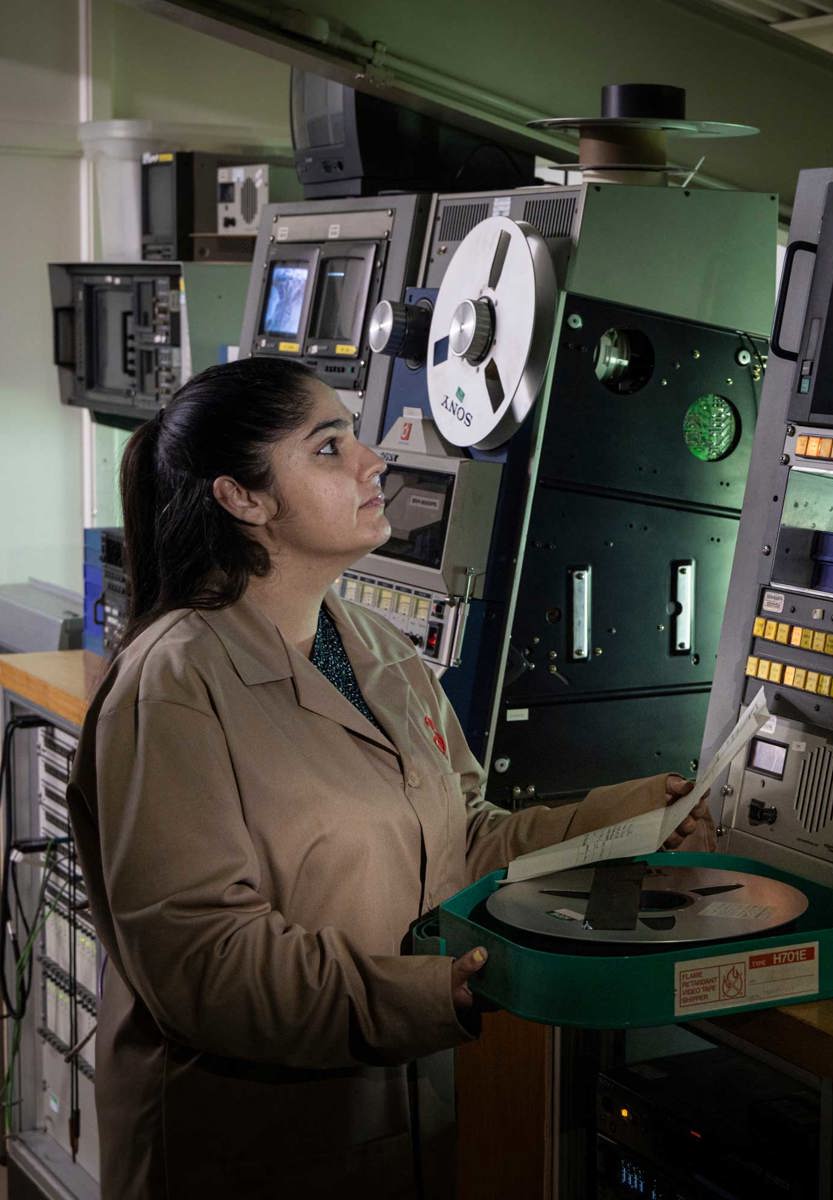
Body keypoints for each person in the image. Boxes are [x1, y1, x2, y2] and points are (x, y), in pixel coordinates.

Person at [65, 358, 715, 1199]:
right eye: (330, 448)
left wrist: (630, 818)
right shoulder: (176, 683)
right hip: (243, 1151)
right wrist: (429, 991)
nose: (374, 461)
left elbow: (464, 836)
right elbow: (204, 964)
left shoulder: (374, 646)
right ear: (245, 499)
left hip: (396, 1128)